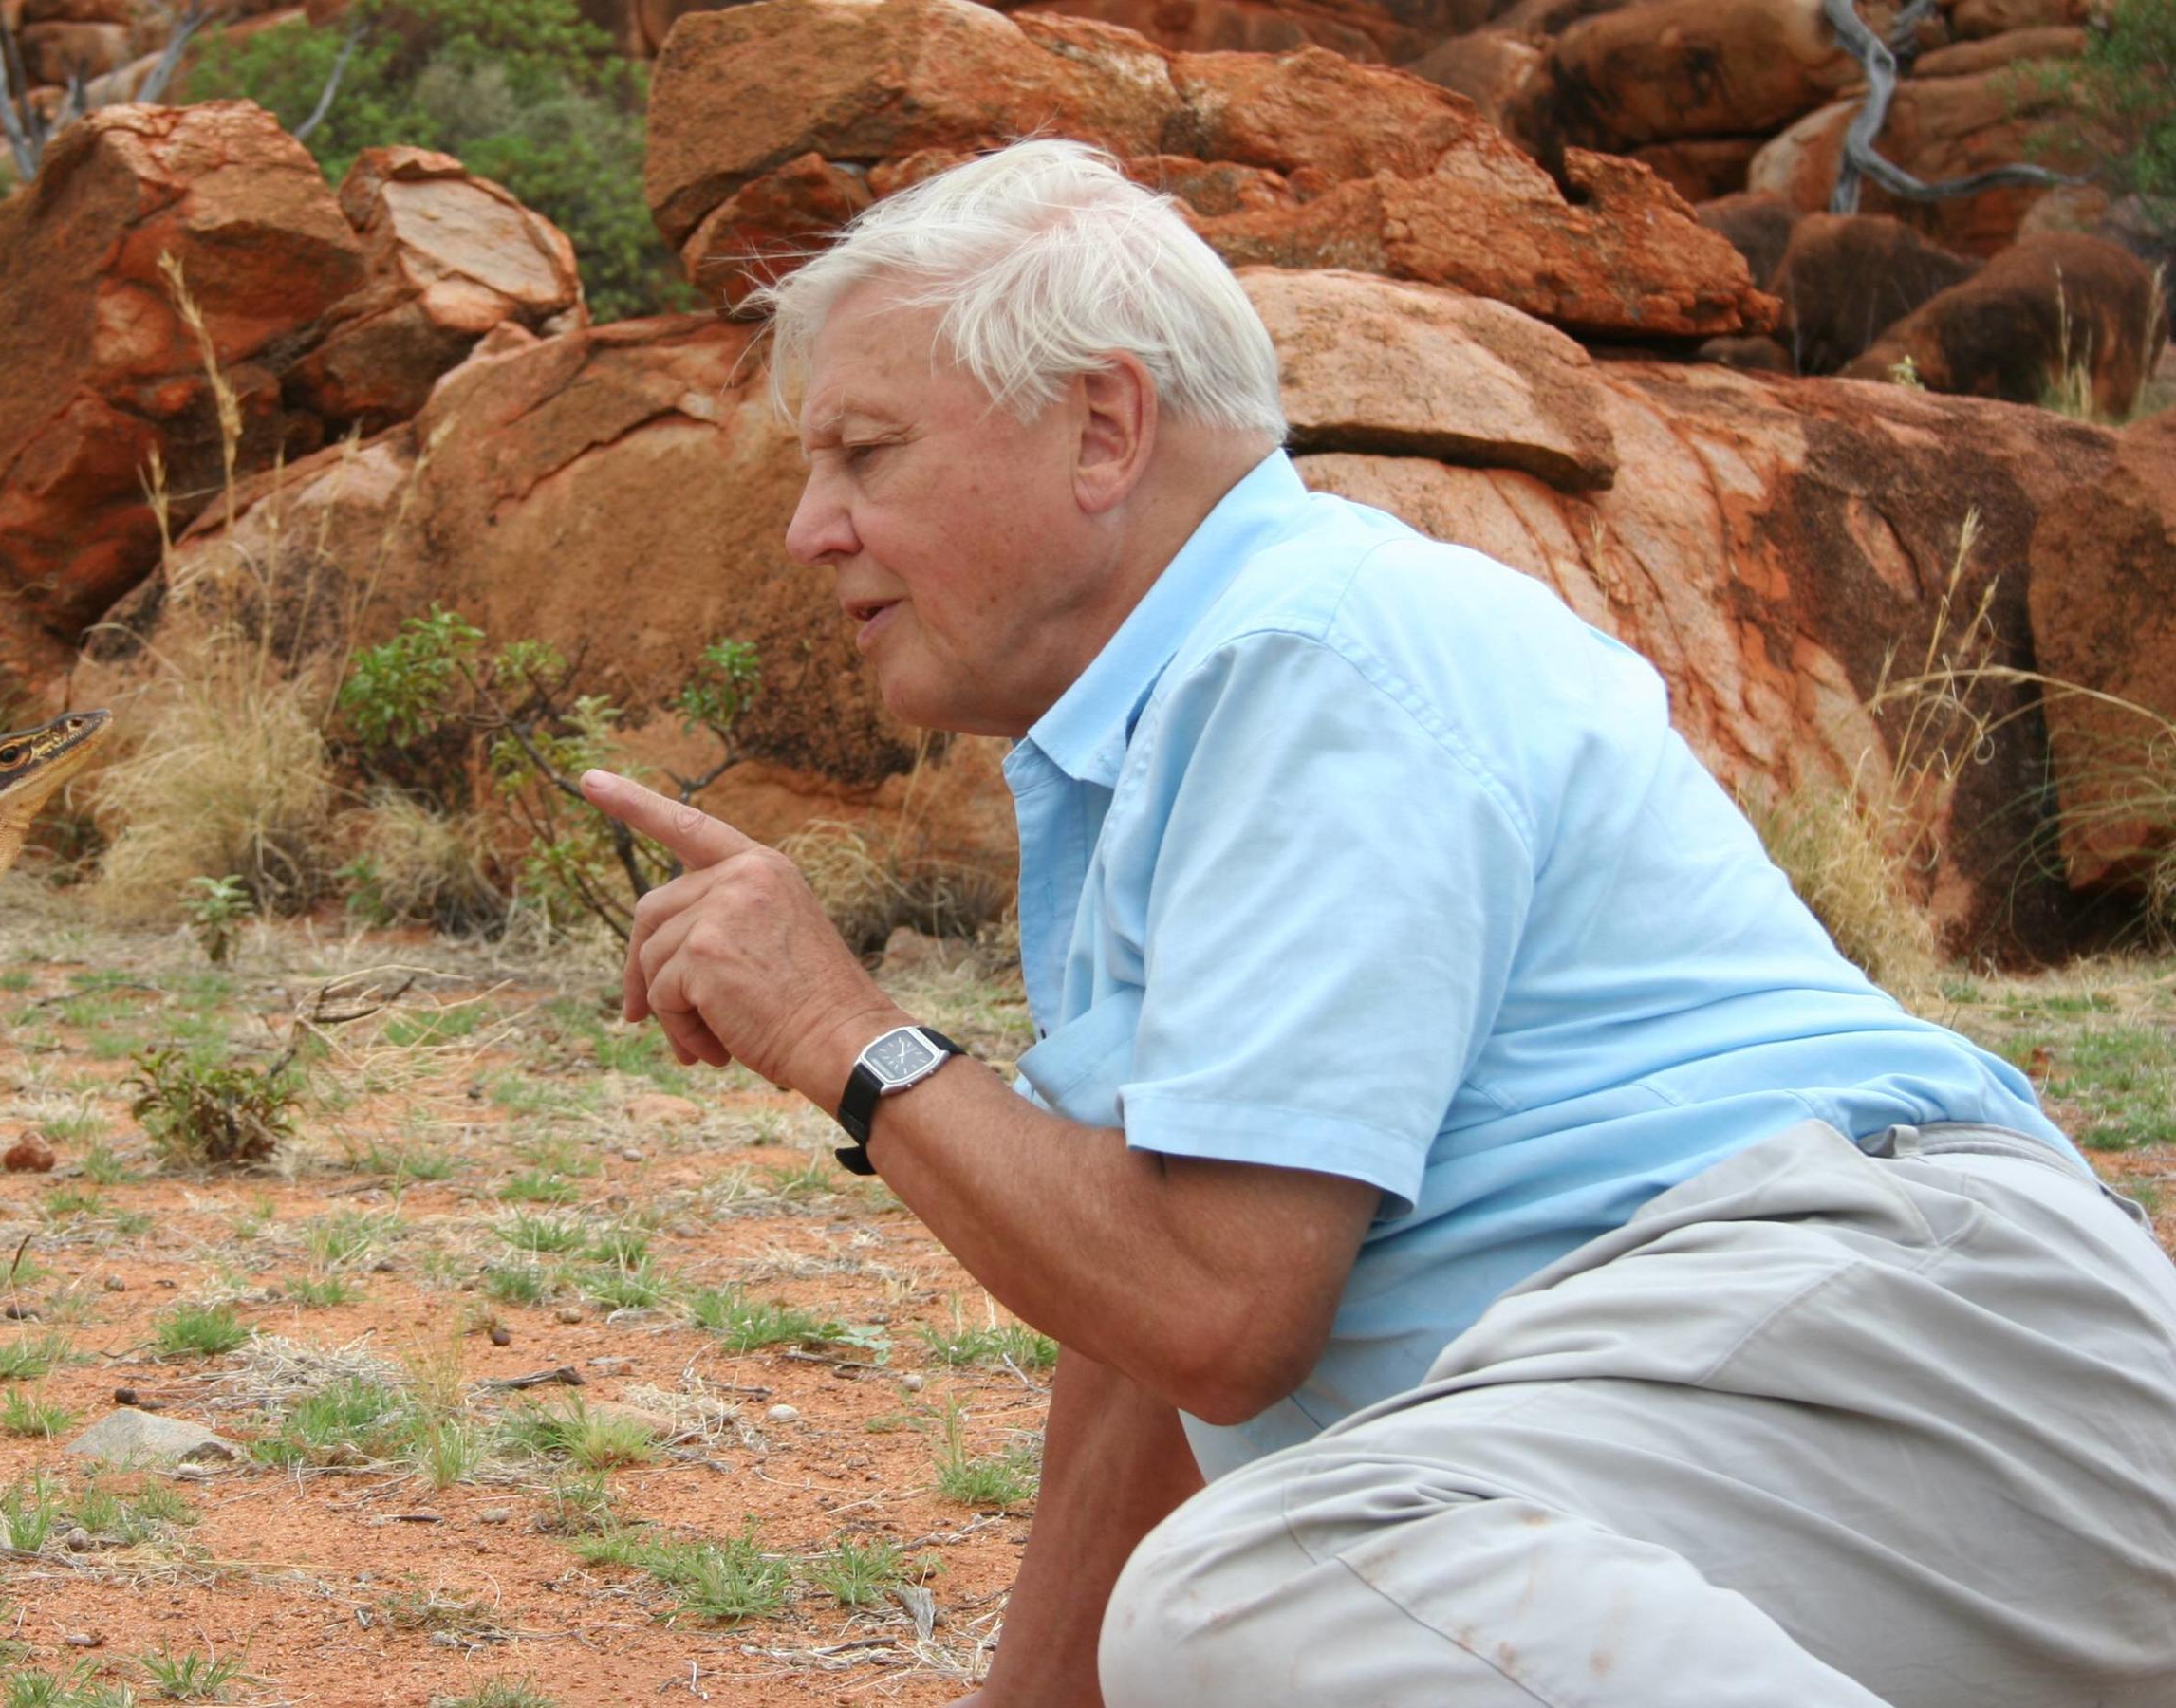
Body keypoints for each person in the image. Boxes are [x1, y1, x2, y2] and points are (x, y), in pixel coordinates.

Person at [575, 138, 2176, 1706]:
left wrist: (849, 1036)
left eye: (865, 451)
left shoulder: (1306, 657)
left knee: (1255, 1597)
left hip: (1914, 1352)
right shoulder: (1173, 714)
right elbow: (1138, 1326)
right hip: (1800, 1398)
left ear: (1103, 427)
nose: (811, 527)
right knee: (1266, 1586)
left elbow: (1218, 1310)